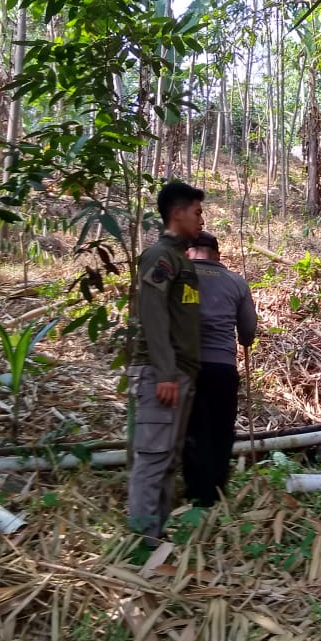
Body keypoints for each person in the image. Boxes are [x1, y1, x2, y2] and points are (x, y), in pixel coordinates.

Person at [128, 181, 205, 544]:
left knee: (168, 458)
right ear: (177, 213)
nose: (201, 220)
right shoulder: (160, 256)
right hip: (165, 374)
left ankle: (155, 538)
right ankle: (143, 544)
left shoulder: (180, 260)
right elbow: (154, 313)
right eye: (197, 212)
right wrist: (165, 371)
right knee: (153, 457)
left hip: (182, 374)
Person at [182, 231, 258, 507]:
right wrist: (245, 340)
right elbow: (248, 329)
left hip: (188, 367)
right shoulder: (236, 281)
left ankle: (196, 492)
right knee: (220, 429)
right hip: (223, 367)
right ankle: (216, 491)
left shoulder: (181, 278)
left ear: (189, 251)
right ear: (217, 254)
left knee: (193, 430)